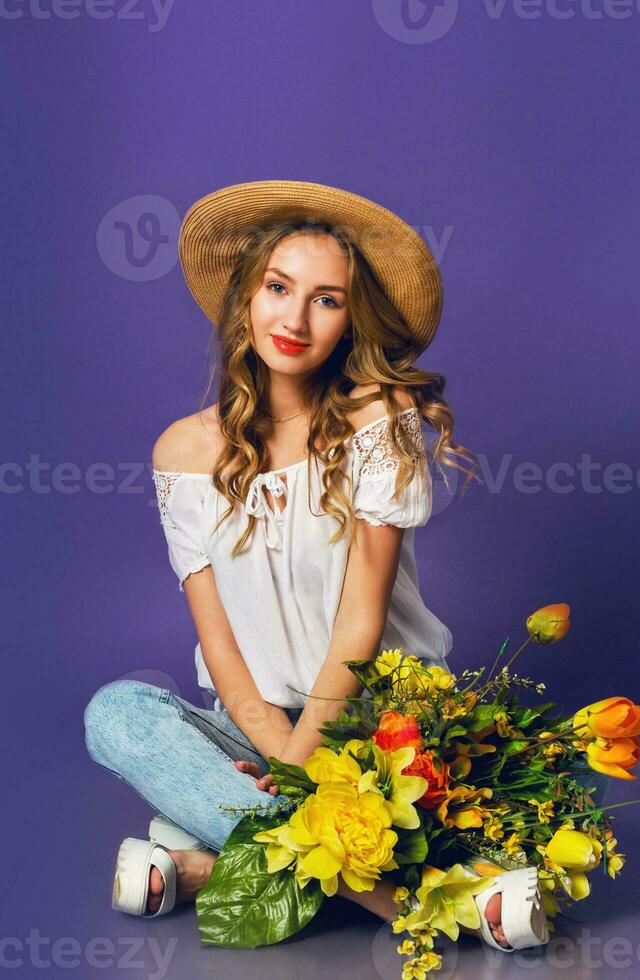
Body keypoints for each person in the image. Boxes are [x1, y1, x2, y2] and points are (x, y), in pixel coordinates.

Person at [83, 180, 599, 952]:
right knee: (116, 714)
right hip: (253, 732)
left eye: (325, 300)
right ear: (244, 299)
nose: (294, 319)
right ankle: (410, 902)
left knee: (429, 800)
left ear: (352, 320)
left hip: (374, 726)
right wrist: (278, 756)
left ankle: (201, 859)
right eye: (278, 288)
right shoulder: (182, 453)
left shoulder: (376, 426)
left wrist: (305, 759)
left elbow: (361, 621)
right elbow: (218, 644)